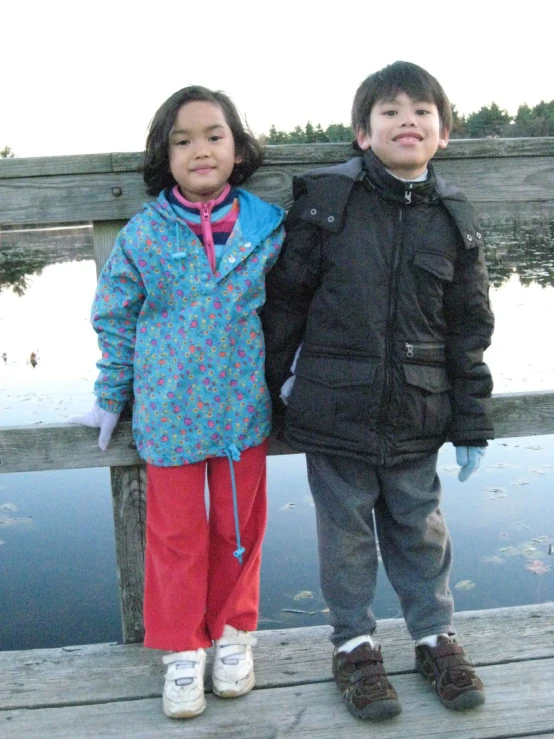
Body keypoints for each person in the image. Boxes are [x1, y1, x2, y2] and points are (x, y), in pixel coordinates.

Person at [261, 61, 494, 721]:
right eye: (389, 112)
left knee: (420, 527)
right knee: (346, 535)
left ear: (443, 132)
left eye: (421, 111)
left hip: (419, 409)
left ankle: (433, 635)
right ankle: (354, 644)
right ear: (363, 133)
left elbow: (469, 327)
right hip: (334, 407)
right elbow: (285, 304)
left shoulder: (454, 216)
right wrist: (270, 392)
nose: (406, 121)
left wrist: (471, 418)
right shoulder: (329, 201)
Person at [70, 86, 285, 720]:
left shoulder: (266, 228)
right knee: (175, 537)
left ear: (237, 147)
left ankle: (233, 635)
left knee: (239, 529)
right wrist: (112, 394)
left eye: (214, 135)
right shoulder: (143, 234)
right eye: (182, 139)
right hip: (167, 413)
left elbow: (297, 306)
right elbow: (115, 313)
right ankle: (182, 650)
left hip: (243, 410)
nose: (200, 150)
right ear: (164, 155)